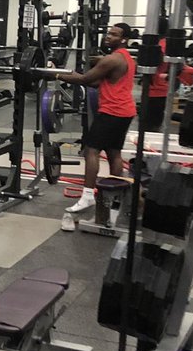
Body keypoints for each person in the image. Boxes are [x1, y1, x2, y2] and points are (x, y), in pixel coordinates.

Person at [57, 22, 137, 212]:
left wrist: (57, 74)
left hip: (112, 111)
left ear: (124, 39)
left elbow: (84, 80)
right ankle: (117, 196)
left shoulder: (112, 60)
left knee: (91, 151)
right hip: (125, 111)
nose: (108, 36)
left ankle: (87, 196)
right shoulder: (127, 58)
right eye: (108, 33)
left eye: (114, 34)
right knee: (113, 152)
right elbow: (97, 84)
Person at [141, 18, 193, 133]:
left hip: (156, 91)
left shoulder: (159, 46)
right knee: (153, 125)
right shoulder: (166, 44)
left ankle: (150, 148)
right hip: (160, 90)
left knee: (150, 127)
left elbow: (180, 68)